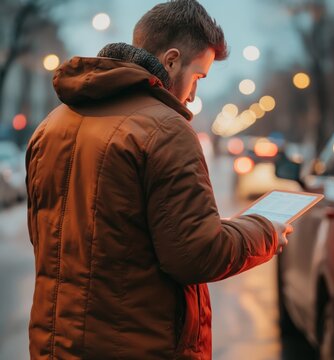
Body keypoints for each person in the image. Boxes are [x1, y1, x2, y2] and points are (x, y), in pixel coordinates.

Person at [25, 0, 292, 358]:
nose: (194, 94)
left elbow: (45, 237)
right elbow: (197, 254)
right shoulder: (165, 129)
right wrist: (266, 232)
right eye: (198, 76)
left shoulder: (51, 125)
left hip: (55, 346)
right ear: (170, 61)